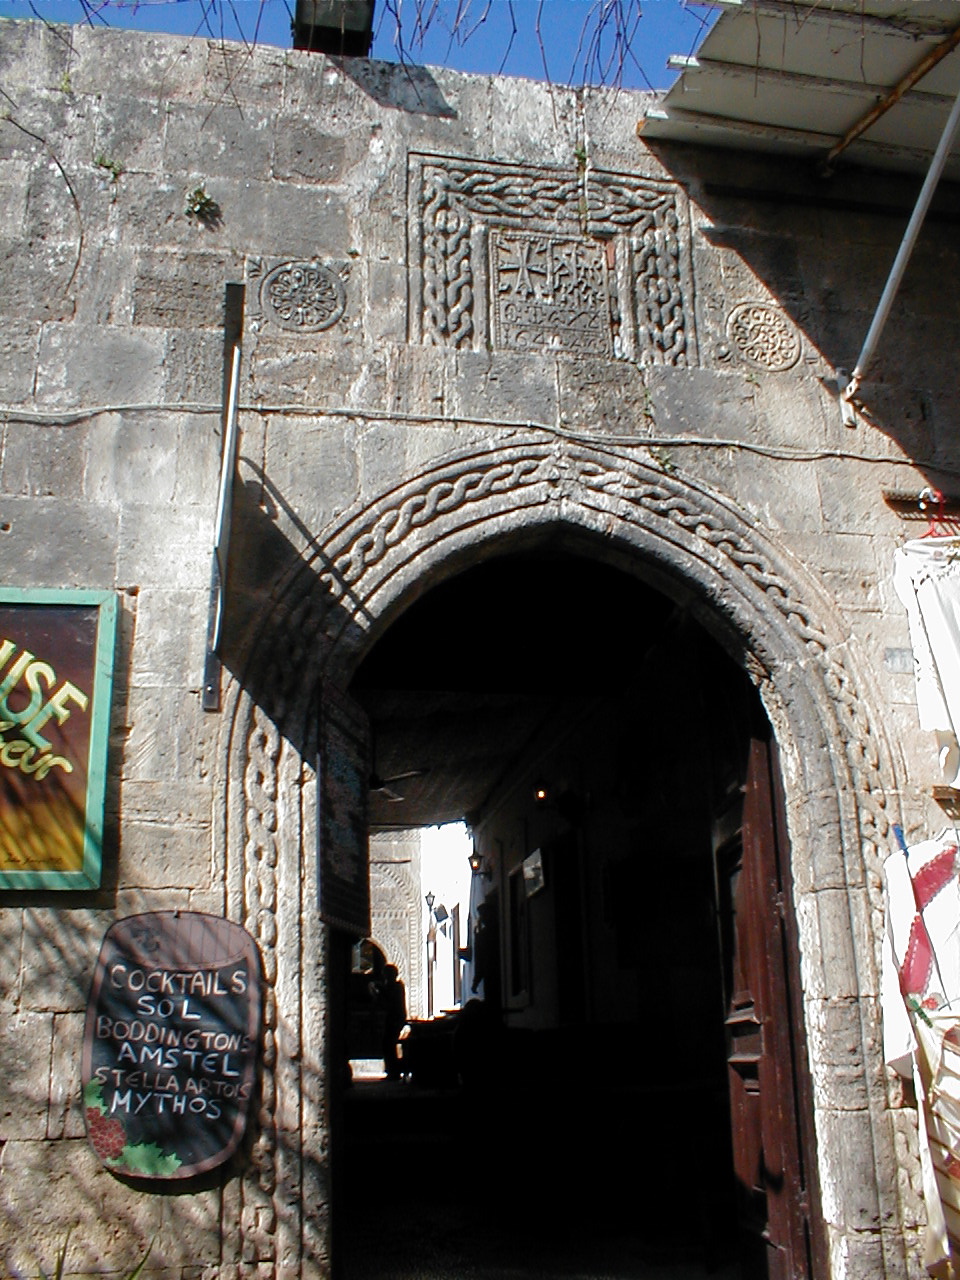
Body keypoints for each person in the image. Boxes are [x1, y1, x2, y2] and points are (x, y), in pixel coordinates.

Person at [379, 964, 407, 1080]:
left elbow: (389, 999)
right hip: (394, 1018)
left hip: (395, 1019)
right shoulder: (394, 987)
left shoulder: (396, 987)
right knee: (388, 1045)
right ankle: (392, 1070)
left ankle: (393, 1072)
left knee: (389, 1045)